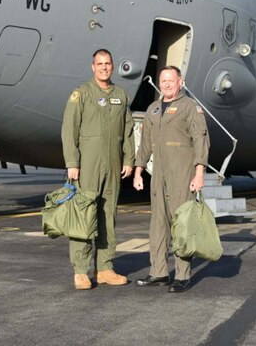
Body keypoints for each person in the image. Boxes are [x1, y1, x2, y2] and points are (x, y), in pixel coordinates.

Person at [61, 49, 136, 290]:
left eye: (108, 63)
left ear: (112, 66)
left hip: (113, 164)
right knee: (84, 217)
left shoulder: (121, 95)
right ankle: (81, 271)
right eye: (99, 64)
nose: (104, 67)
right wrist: (72, 163)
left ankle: (104, 268)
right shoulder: (81, 94)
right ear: (92, 67)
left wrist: (128, 160)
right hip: (88, 165)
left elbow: (128, 130)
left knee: (108, 216)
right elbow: (69, 130)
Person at [133, 65, 209, 293]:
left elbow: (200, 139)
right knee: (157, 225)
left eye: (171, 80)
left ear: (180, 81)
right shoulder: (153, 109)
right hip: (159, 175)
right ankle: (159, 272)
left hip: (182, 174)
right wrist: (138, 171)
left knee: (181, 225)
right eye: (163, 80)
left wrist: (199, 172)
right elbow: (145, 143)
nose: (166, 84)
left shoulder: (190, 107)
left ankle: (183, 275)